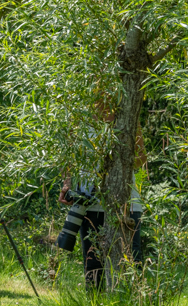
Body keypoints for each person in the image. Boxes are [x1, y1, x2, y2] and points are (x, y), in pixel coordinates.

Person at [58, 116, 147, 289]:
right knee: (93, 265)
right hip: (89, 203)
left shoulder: (127, 115)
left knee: (132, 261)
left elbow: (141, 157)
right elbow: (69, 157)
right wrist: (67, 184)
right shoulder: (78, 114)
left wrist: (113, 165)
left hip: (126, 202)